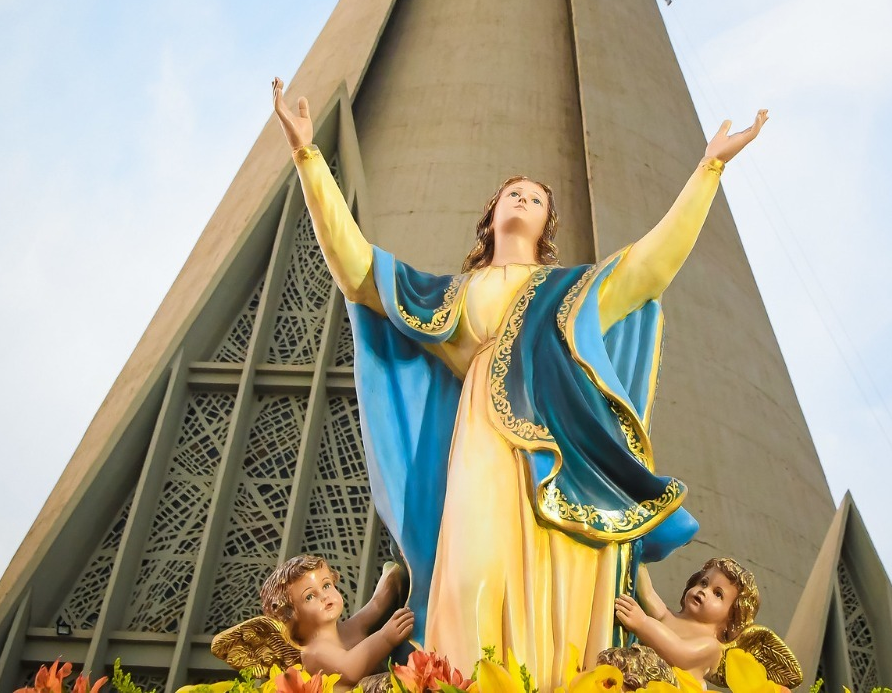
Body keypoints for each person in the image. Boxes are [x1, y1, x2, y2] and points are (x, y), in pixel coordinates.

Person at [270, 77, 767, 689]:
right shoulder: (450, 296)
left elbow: (651, 266)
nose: (524, 200)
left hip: (567, 451)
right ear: (492, 213)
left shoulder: (572, 291)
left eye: (536, 198)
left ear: (547, 223)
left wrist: (708, 170)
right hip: (480, 442)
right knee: (469, 575)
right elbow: (359, 271)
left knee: (561, 589)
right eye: (514, 193)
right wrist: (308, 159)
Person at [257, 555, 413, 684]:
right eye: (310, 596)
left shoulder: (347, 629)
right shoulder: (314, 652)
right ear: (290, 615)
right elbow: (349, 669)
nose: (324, 596)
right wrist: (386, 638)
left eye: (326, 585)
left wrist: (392, 577)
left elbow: (375, 606)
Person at [613, 559, 758, 683]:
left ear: (732, 617)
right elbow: (648, 594)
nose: (704, 591)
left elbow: (680, 653)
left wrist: (643, 623)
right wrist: (638, 560)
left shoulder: (712, 646)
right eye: (703, 583)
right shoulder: (669, 617)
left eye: (718, 594)